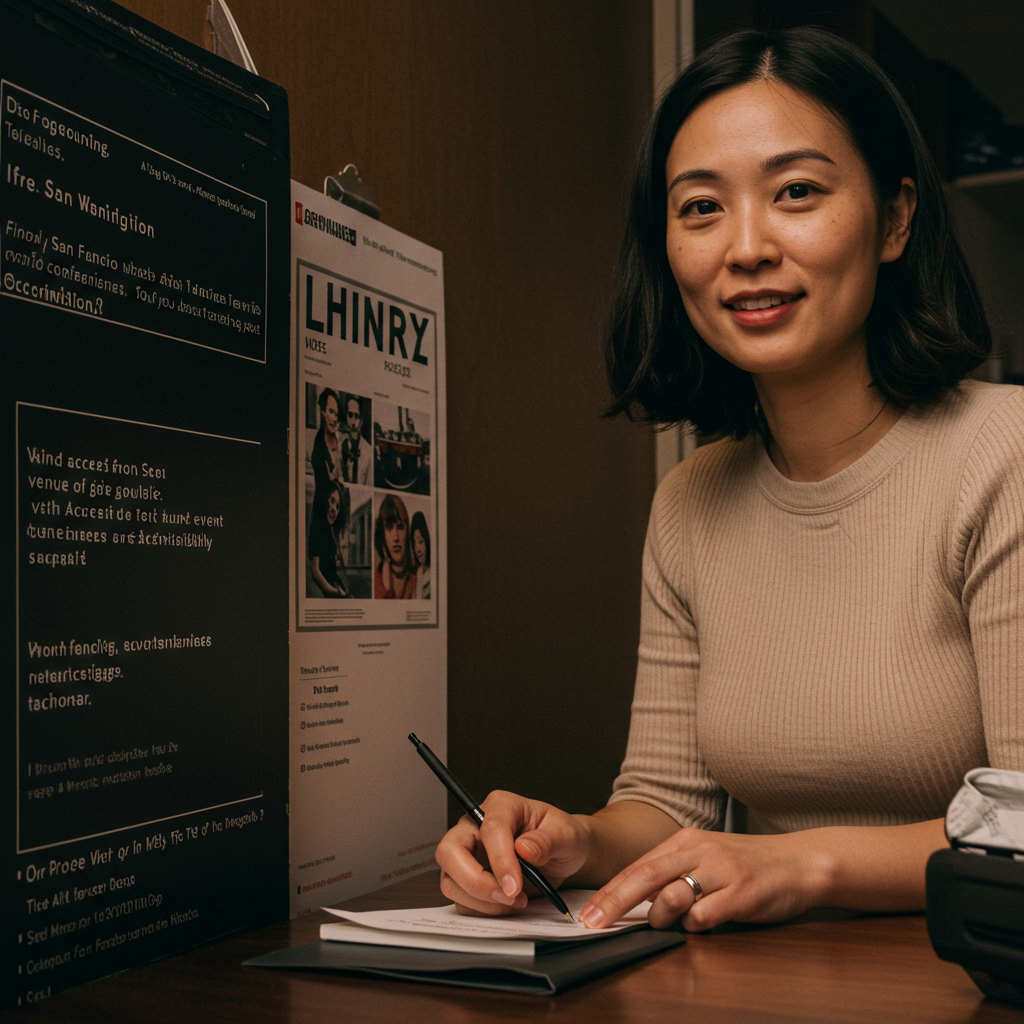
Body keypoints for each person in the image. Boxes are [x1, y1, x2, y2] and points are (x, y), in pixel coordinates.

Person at [435, 27, 1022, 935]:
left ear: (897, 217)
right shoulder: (691, 497)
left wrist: (805, 864)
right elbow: (671, 806)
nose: (745, 248)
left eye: (796, 192)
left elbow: (1022, 826)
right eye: (701, 207)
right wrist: (573, 841)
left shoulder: (1005, 453)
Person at [307, 480, 351, 598]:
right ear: (324, 499)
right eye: (332, 501)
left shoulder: (328, 530)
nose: (334, 510)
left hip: (333, 584)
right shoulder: (317, 528)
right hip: (327, 589)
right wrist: (336, 592)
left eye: (337, 507)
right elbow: (315, 572)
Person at [373, 494, 417, 599]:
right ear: (383, 534)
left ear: (407, 531)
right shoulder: (376, 579)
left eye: (400, 526)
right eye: (389, 528)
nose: (396, 537)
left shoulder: (416, 580)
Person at [310, 388, 342, 498]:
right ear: (323, 411)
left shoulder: (342, 442)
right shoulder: (317, 446)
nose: (334, 419)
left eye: (336, 414)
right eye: (331, 412)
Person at [340, 394, 372, 485]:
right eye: (350, 415)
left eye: (356, 416)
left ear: (361, 421)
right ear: (346, 417)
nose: (353, 422)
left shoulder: (368, 451)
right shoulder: (340, 445)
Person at [411, 511, 432, 600]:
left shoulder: (433, 572)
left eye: (420, 542)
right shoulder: (419, 572)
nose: (417, 550)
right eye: (415, 544)